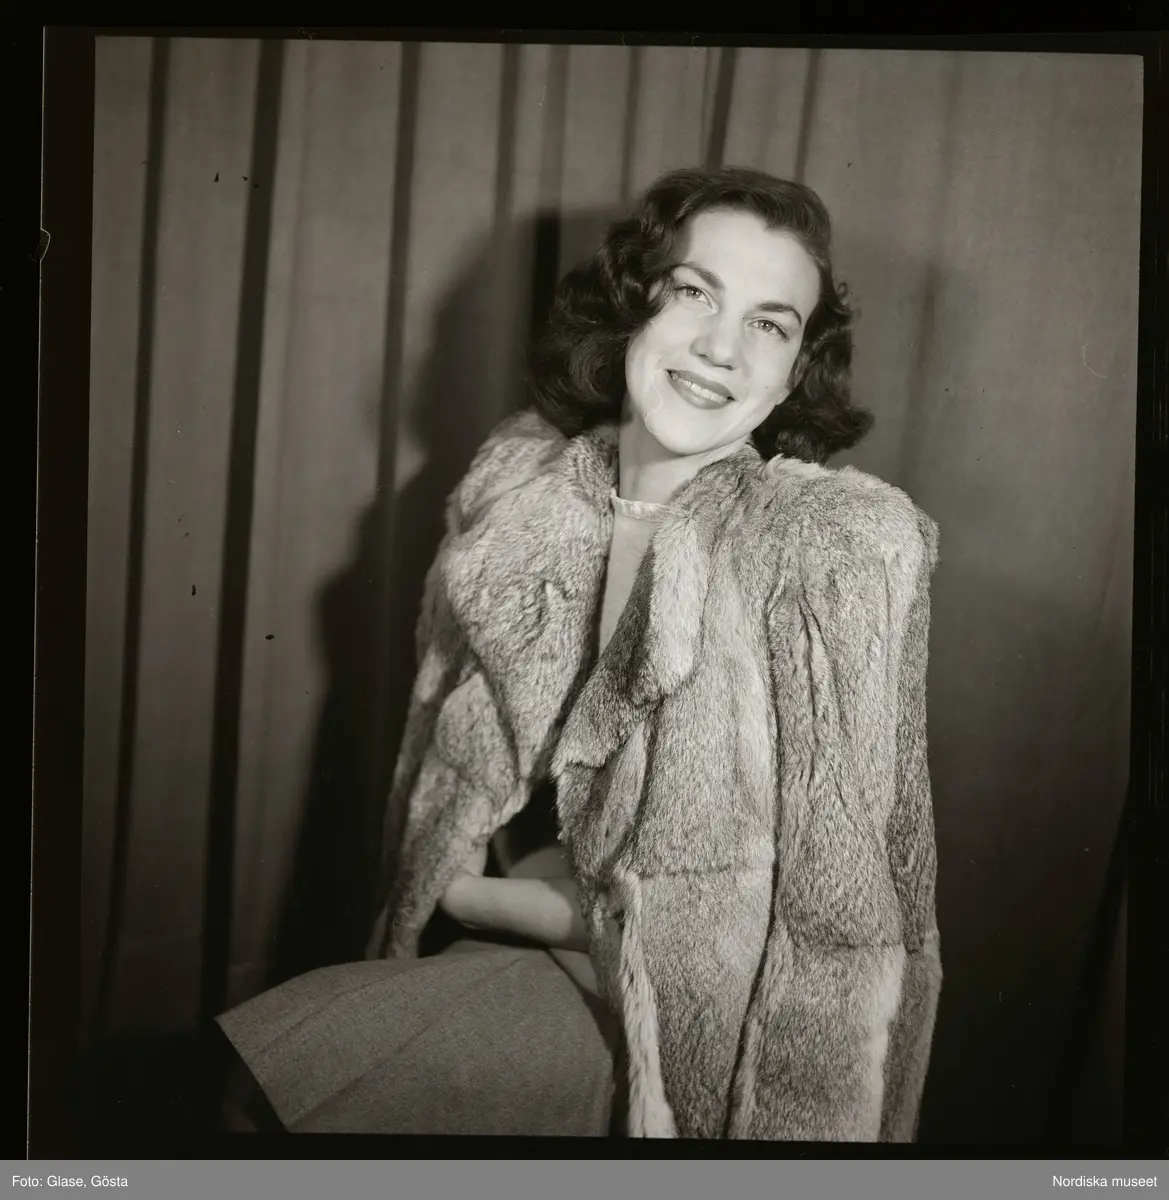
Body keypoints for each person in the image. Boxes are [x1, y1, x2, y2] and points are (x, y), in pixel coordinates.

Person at [216, 165, 942, 1141]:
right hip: (509, 951)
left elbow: (835, 925)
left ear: (792, 370)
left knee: (260, 1086)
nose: (720, 347)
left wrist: (479, 898)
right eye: (693, 292)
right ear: (632, 302)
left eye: (768, 324)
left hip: (681, 1050)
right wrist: (484, 901)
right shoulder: (520, 491)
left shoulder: (825, 550)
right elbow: (454, 789)